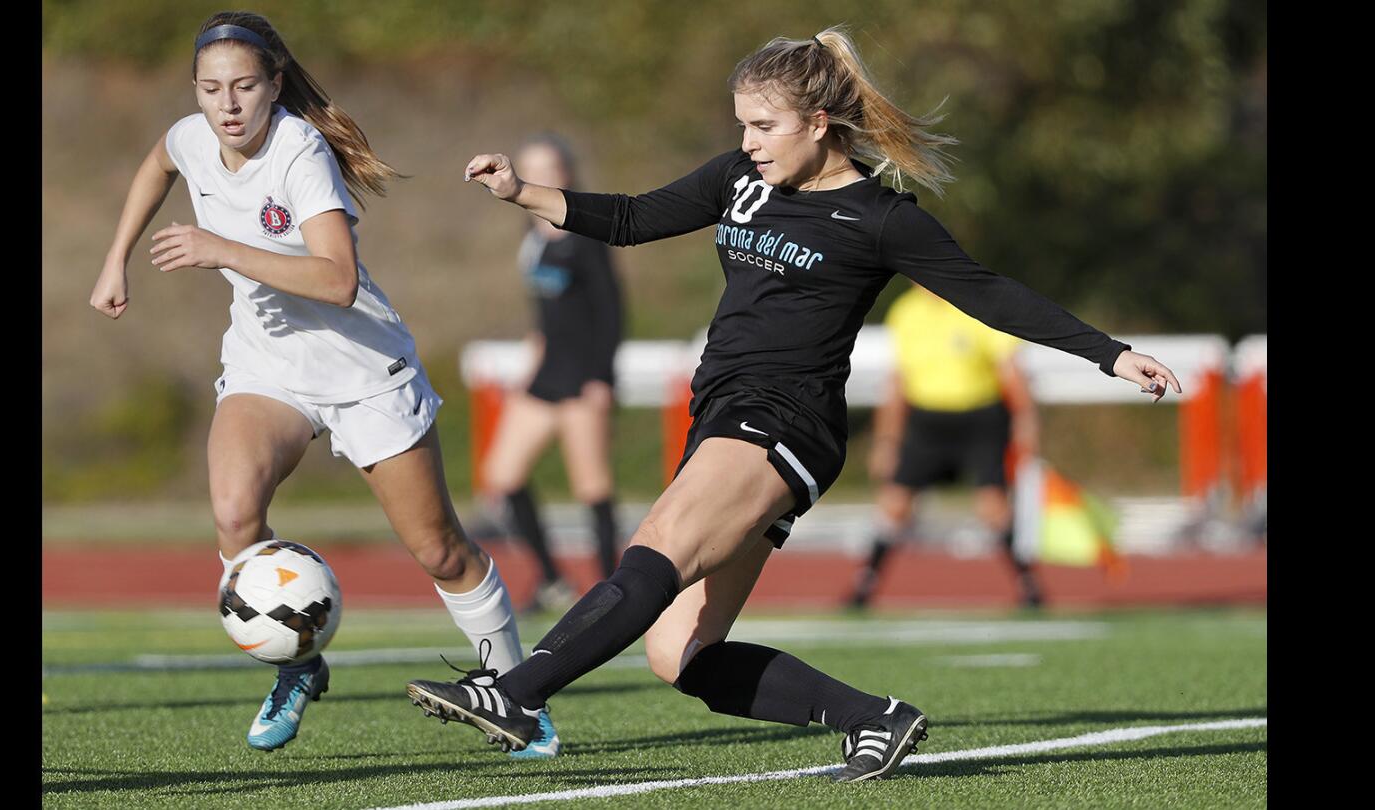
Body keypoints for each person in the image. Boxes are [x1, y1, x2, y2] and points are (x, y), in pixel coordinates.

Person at [407, 27, 1179, 782]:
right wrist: (521, 194)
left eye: (764, 125)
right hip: (724, 412)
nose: (747, 141)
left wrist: (1109, 354)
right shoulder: (740, 179)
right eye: (742, 124)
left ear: (819, 123)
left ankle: (512, 695)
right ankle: (872, 719)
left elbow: (989, 294)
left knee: (659, 542)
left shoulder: (881, 217)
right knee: (681, 657)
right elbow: (635, 219)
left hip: (787, 421)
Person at [87, 11, 559, 757]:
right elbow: (158, 162)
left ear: (275, 86)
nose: (229, 104)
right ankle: (298, 664)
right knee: (235, 515)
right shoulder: (191, 135)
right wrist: (116, 257)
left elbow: (337, 282)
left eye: (245, 85)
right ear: (196, 93)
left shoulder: (299, 151)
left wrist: (223, 249)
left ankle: (515, 693)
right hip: (266, 365)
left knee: (439, 550)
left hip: (362, 369)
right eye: (212, 89)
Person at [480, 134, 625, 612]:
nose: (538, 176)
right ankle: (551, 580)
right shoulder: (532, 235)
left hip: (584, 378)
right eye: (530, 167)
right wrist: (529, 365)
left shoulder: (586, 234)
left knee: (592, 487)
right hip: (546, 376)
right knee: (501, 476)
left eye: (548, 167)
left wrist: (602, 378)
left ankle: (613, 595)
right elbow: (544, 315)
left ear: (565, 174)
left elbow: (611, 310)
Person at [849, 283, 1045, 611]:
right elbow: (898, 380)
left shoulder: (978, 302)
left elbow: (1010, 370)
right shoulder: (906, 311)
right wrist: (887, 440)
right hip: (926, 422)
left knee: (993, 506)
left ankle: (1028, 582)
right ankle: (865, 582)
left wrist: (1026, 420)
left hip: (980, 419)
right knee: (895, 503)